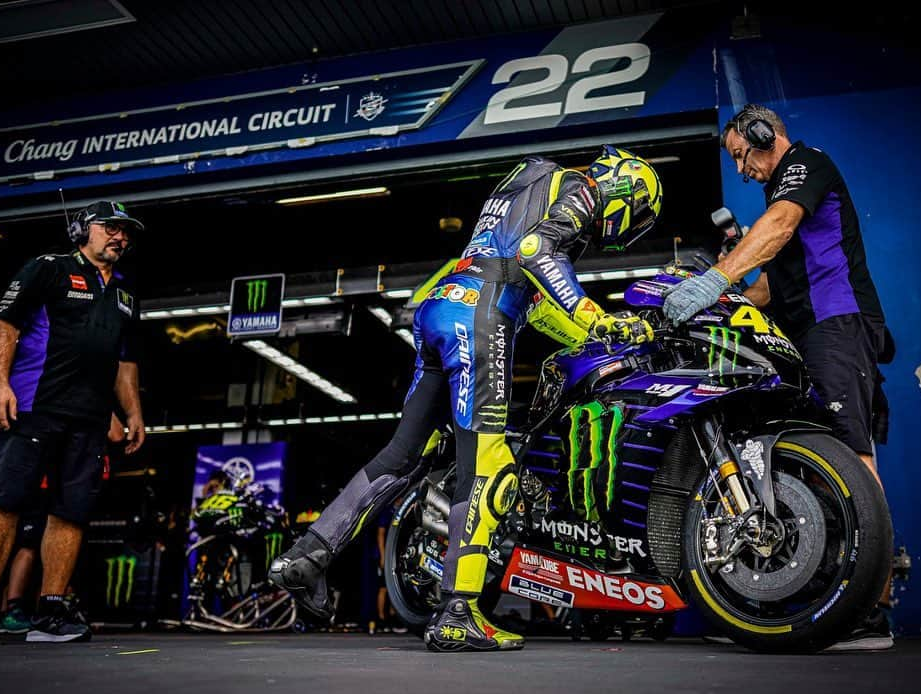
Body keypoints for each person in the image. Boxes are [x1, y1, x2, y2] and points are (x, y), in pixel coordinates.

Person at [270, 146, 662, 651]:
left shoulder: (532, 179)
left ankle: (307, 556)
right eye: (638, 214)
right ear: (626, 188)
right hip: (480, 317)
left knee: (403, 456)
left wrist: (593, 333)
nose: (627, 227)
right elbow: (535, 253)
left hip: (443, 306)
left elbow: (531, 295)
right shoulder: (581, 188)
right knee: (491, 468)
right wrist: (595, 317)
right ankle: (459, 612)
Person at [663, 103, 893, 650]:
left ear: (763, 133)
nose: (742, 170)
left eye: (742, 155)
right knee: (817, 462)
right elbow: (769, 289)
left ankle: (869, 609)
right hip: (804, 334)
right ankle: (818, 600)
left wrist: (717, 278)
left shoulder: (805, 166)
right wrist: (721, 293)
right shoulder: (774, 201)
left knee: (852, 455)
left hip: (837, 323)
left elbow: (780, 226)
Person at [0, 200, 146, 645]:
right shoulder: (48, 267)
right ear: (82, 228)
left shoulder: (125, 296)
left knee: (71, 512)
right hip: (33, 407)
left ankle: (51, 613)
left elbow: (124, 363)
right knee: (3, 503)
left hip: (90, 419)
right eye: (110, 227)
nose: (119, 236)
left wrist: (132, 412)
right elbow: (4, 327)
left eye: (126, 231)